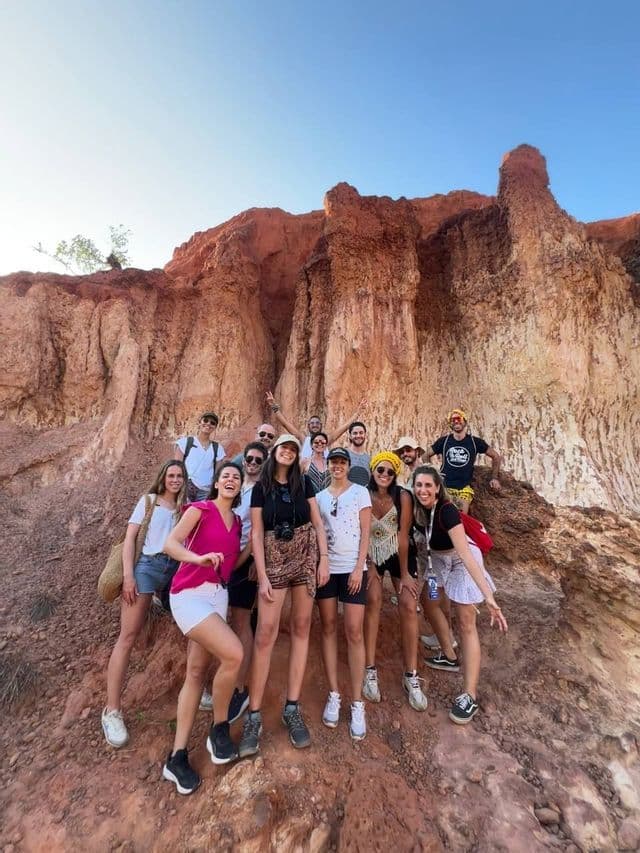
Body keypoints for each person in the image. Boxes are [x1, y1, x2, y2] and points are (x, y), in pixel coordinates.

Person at [238, 434, 329, 757]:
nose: (288, 452)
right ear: (275, 453)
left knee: (302, 627)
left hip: (305, 556)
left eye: (293, 448)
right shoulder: (261, 489)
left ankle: (292, 707)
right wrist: (261, 574)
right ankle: (254, 715)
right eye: (284, 448)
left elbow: (317, 524)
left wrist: (323, 560)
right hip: (273, 558)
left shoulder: (304, 484)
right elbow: (258, 532)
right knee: (265, 633)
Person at [161, 462, 245, 794]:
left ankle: (177, 757)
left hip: (217, 596)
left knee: (196, 672)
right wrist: (196, 559)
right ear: (215, 483)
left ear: (239, 488)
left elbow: (229, 563)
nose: (231, 480)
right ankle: (219, 728)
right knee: (234, 655)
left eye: (236, 478)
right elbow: (170, 544)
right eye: (226, 475)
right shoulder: (200, 509)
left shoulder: (237, 522)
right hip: (188, 595)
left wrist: (253, 549)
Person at [412, 465, 508, 724]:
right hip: (437, 562)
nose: (423, 490)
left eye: (428, 486)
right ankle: (450, 655)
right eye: (418, 485)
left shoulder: (447, 511)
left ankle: (469, 695)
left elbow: (465, 553)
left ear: (437, 488)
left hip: (461, 559)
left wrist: (488, 596)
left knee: (466, 621)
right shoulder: (416, 509)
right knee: (429, 601)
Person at [102, 460, 187, 748]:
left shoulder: (184, 507)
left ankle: (194, 690)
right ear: (162, 477)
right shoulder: (149, 501)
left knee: (191, 627)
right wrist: (128, 576)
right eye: (171, 475)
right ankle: (112, 710)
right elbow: (130, 539)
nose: (175, 480)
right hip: (147, 567)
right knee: (127, 636)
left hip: (173, 568)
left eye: (179, 476)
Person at [362, 452, 428, 712]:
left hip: (400, 554)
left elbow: (403, 535)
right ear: (373, 470)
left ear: (396, 474)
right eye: (381, 470)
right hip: (373, 552)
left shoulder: (403, 496)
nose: (385, 476)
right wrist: (369, 564)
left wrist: (405, 574)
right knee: (373, 599)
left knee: (409, 604)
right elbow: (363, 531)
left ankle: (411, 675)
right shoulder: (364, 495)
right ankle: (369, 669)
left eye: (390, 472)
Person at [315, 448, 372, 739]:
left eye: (342, 462)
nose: (337, 466)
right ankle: (335, 693)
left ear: (349, 465)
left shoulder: (361, 492)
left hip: (352, 570)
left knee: (354, 631)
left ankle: (358, 702)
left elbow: (366, 532)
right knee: (327, 627)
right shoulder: (321, 497)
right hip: (327, 570)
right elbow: (319, 531)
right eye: (333, 462)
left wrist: (358, 568)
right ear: (328, 465)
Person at [225, 441, 268, 722]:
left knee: (241, 621)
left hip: (245, 563)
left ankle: (239, 689)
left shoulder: (264, 491)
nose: (252, 463)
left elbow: (264, 529)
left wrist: (254, 562)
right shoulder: (235, 486)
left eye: (257, 460)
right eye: (249, 459)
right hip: (222, 559)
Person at [425, 409, 501, 513]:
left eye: (459, 418)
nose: (456, 421)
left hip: (463, 489)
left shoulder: (475, 442)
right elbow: (426, 455)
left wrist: (494, 478)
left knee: (461, 519)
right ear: (450, 424)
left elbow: (496, 456)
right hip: (445, 487)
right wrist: (432, 474)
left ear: (465, 421)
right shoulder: (444, 441)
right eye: (452, 420)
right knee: (441, 517)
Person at [265, 391, 366, 459]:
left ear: (321, 425)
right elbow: (285, 424)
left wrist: (357, 413)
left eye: (317, 423)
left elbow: (344, 428)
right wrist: (273, 405)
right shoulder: (304, 439)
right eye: (312, 423)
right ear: (308, 426)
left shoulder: (326, 441)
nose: (315, 425)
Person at [174, 411, 226, 501]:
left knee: (202, 514)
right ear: (200, 422)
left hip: (205, 491)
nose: (208, 424)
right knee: (183, 513)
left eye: (212, 423)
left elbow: (218, 473)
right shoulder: (185, 442)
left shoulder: (218, 448)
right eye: (205, 420)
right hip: (186, 487)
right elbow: (176, 467)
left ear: (215, 427)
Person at [346, 421, 371, 486]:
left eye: (361, 433)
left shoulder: (369, 459)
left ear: (365, 435)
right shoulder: (344, 455)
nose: (358, 435)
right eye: (355, 433)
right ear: (350, 436)